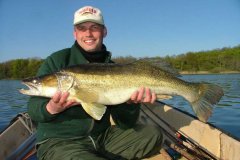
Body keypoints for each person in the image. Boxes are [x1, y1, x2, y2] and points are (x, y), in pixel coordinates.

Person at [28, 6, 163, 160]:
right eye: (82, 28)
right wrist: (51, 108)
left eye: (94, 27)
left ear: (104, 31)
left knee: (152, 135)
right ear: (75, 33)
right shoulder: (58, 61)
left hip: (101, 138)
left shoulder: (113, 67)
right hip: (60, 142)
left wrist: (130, 104)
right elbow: (33, 108)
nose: (88, 33)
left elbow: (125, 124)